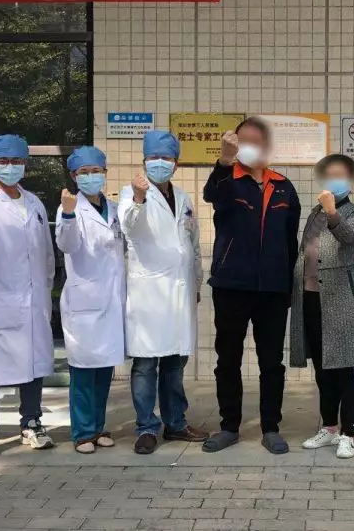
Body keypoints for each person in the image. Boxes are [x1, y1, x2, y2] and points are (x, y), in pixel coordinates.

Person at [201, 118, 301, 454]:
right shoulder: (227, 180)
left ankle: (271, 427)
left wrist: (288, 286)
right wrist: (223, 160)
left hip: (272, 290)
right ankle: (229, 426)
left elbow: (290, 241)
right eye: (243, 140)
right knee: (227, 359)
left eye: (257, 141)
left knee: (271, 362)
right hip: (231, 285)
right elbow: (210, 194)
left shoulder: (283, 186)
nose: (250, 146)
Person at [0, 134, 56, 461]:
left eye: (16, 161)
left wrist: (45, 291)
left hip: (33, 301)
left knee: (33, 366)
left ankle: (31, 423)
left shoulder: (34, 203)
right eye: (3, 161)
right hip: (0, 302)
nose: (10, 167)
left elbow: (46, 253)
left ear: (25, 165)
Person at [119, 130, 208, 454]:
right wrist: (139, 199)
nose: (160, 163)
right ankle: (146, 427)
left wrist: (196, 281)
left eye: (166, 158)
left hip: (179, 293)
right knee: (145, 365)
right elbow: (129, 227)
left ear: (176, 163)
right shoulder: (130, 194)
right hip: (148, 294)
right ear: (144, 161)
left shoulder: (183, 198)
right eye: (154, 157)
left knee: (174, 364)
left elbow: (192, 244)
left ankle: (175, 423)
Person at [289, 154, 354, 460]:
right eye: (330, 175)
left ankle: (348, 433)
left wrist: (333, 211)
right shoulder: (314, 212)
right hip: (311, 298)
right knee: (323, 368)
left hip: (341, 300)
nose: (335, 180)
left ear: (351, 180)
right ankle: (329, 427)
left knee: (347, 367)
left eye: (341, 175)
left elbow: (350, 236)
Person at [56, 146, 126, 454]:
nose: (90, 177)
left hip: (111, 300)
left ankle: (98, 427)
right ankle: (83, 433)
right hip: (84, 302)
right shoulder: (69, 208)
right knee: (84, 371)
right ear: (74, 176)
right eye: (83, 173)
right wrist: (68, 213)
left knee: (103, 369)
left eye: (96, 171)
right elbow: (67, 244)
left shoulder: (114, 209)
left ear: (105, 173)